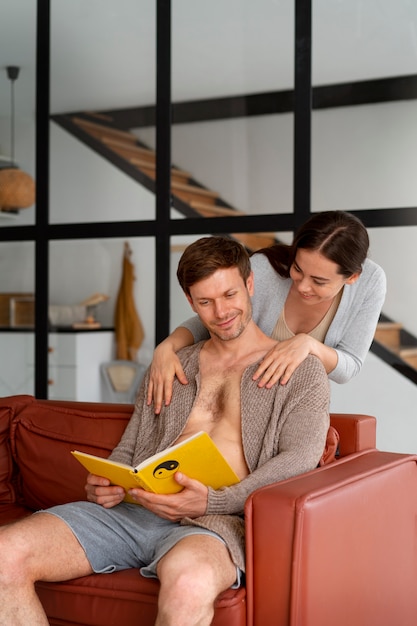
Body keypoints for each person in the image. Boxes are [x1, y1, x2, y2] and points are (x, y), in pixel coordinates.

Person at [0, 237, 330, 626]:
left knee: (190, 583)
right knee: (5, 553)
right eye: (205, 302)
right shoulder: (171, 366)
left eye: (229, 294)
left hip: (215, 522)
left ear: (250, 284)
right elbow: (131, 446)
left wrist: (214, 503)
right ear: (190, 303)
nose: (221, 312)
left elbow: (301, 458)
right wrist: (108, 481)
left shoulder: (299, 370)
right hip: (133, 510)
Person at [148, 211, 386, 414]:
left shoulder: (371, 282)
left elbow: (350, 365)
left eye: (319, 281)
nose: (302, 286)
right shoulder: (264, 270)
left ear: (353, 277)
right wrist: (167, 347)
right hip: (240, 397)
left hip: (294, 406)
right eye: (297, 269)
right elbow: (220, 317)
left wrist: (308, 345)